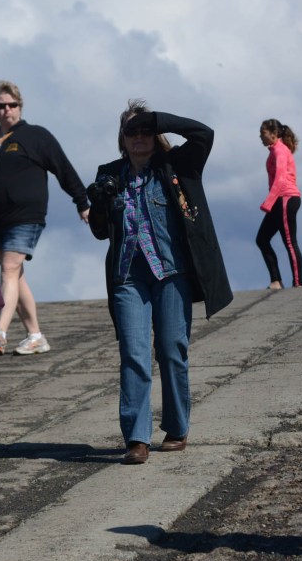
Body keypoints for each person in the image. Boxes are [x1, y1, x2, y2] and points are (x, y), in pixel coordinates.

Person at [87, 100, 232, 465]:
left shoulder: (178, 165)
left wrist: (158, 119)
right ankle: (137, 438)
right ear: (121, 138)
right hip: (127, 277)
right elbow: (101, 231)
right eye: (131, 131)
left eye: (144, 131)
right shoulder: (110, 173)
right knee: (133, 354)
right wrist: (99, 203)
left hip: (171, 272)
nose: (138, 138)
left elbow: (204, 133)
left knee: (171, 349)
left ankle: (177, 427)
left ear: (155, 134)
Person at [0, 80, 89, 356]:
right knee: (15, 277)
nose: (7, 110)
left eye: (12, 105)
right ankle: (36, 336)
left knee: (8, 269)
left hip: (25, 217)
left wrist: (82, 202)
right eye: (1, 106)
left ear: (20, 106)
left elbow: (63, 168)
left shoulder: (36, 136)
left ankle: (1, 331)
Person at [256, 119, 302, 290]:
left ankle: (298, 283)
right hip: (278, 199)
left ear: (273, 134)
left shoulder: (280, 151)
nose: (260, 137)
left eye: (263, 134)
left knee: (290, 241)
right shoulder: (275, 151)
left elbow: (281, 179)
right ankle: (276, 281)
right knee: (262, 239)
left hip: (285, 198)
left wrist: (268, 202)